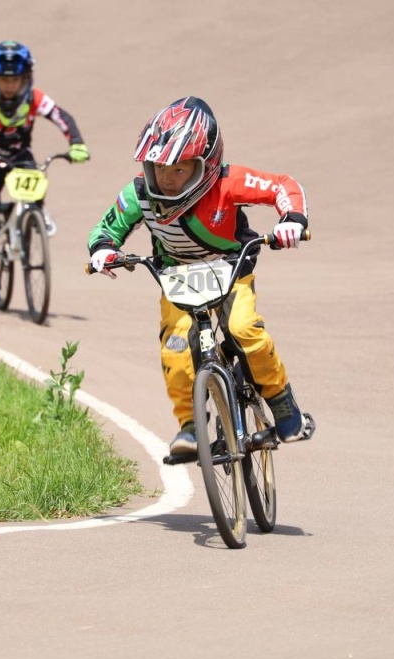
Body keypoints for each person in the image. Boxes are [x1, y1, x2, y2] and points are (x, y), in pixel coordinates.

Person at [87, 96, 309, 457]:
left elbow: (282, 186)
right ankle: (190, 426)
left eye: (180, 169)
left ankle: (281, 399)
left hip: (231, 269)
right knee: (175, 349)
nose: (167, 178)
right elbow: (105, 228)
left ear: (205, 166)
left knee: (244, 330)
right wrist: (102, 250)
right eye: (159, 167)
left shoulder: (228, 182)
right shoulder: (139, 194)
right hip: (175, 276)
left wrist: (292, 220)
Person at [0, 40, 90, 289]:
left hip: (20, 156)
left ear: (25, 78)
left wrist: (76, 144)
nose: (9, 86)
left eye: (15, 80)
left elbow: (61, 117)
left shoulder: (35, 98)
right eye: (3, 80)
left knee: (37, 178)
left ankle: (36, 211)